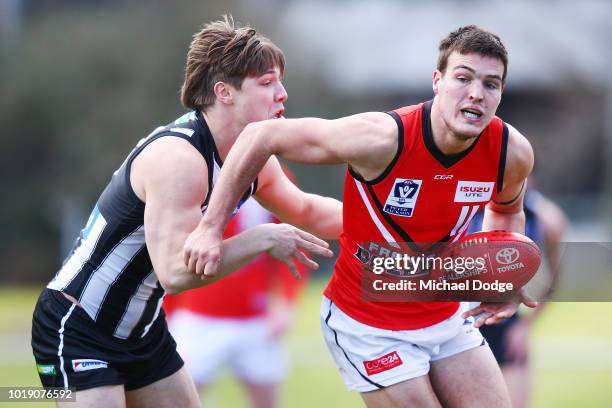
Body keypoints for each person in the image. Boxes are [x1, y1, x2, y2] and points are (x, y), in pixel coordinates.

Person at [184, 25, 540, 407]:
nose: (476, 93)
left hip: (445, 315)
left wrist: (499, 282)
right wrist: (209, 228)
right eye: (463, 78)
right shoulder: (381, 139)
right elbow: (260, 136)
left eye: (491, 84)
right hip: (368, 324)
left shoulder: (510, 153)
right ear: (437, 81)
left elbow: (506, 213)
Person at [30, 16, 340, 408]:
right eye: (266, 83)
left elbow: (308, 210)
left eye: (279, 81)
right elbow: (175, 273)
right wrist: (262, 238)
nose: (282, 94)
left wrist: (392, 223)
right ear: (224, 92)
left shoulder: (253, 156)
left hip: (143, 332)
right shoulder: (179, 159)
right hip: (77, 327)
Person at [164, 169, 307, 408]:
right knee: (175, 399)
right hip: (198, 318)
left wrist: (286, 302)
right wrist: (167, 311)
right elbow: (168, 252)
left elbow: (294, 242)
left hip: (256, 320)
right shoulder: (192, 170)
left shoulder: (271, 174)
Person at [469, 185, 568, 408]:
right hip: (460, 319)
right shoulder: (465, 206)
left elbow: (553, 282)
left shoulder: (546, 219)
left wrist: (524, 327)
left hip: (503, 320)